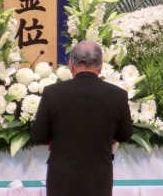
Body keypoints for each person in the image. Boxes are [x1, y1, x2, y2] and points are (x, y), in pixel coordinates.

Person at [30, 40, 134, 196]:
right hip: (99, 179)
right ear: (100, 66)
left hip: (62, 180)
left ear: (71, 64)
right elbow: (125, 134)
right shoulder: (117, 95)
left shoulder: (53, 93)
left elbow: (38, 135)